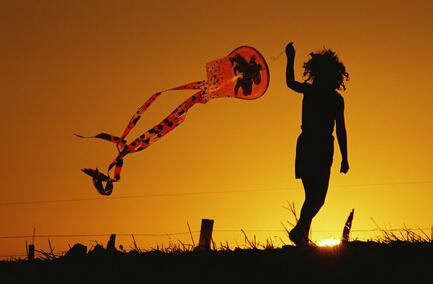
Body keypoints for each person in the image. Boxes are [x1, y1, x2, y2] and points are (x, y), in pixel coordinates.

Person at [285, 42, 349, 246]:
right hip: (315, 145)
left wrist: (345, 157)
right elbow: (290, 83)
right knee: (316, 197)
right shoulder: (318, 94)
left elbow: (341, 129)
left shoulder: (322, 95)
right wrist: (290, 58)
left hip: (315, 145)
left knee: (314, 197)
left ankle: (300, 232)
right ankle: (300, 231)